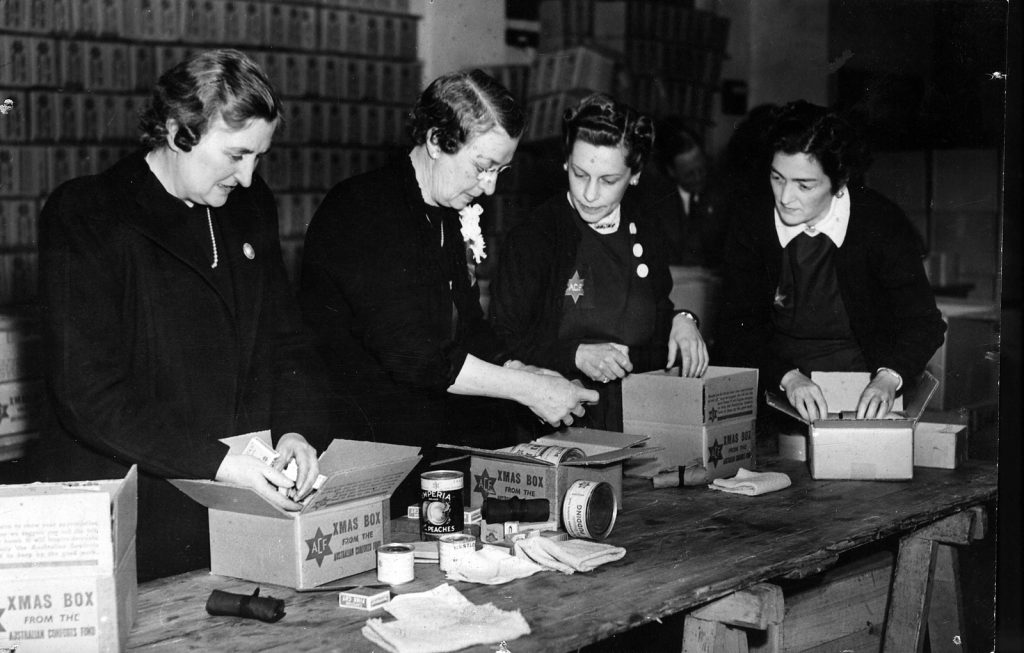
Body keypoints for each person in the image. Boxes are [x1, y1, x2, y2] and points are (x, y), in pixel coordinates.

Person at [34, 49, 363, 580]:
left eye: (260, 156)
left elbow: (288, 343)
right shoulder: (88, 214)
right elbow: (87, 396)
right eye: (236, 155)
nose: (250, 177)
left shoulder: (251, 209)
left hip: (238, 514)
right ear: (178, 131)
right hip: (136, 520)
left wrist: (298, 434)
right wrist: (227, 466)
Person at [298, 70, 596, 503]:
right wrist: (527, 389)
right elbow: (414, 353)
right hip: (357, 458)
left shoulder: (441, 210)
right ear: (436, 140)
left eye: (501, 170)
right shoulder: (364, 210)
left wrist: (521, 370)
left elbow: (469, 325)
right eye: (482, 167)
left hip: (419, 449)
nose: (490, 186)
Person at [489, 93, 709, 432]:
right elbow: (501, 341)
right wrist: (575, 355)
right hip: (557, 424)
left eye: (608, 180)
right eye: (579, 174)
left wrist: (681, 321)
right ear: (566, 162)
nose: (590, 194)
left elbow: (655, 314)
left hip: (639, 421)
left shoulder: (646, 230)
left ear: (634, 175)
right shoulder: (535, 237)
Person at [716, 100, 946, 422]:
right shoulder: (751, 221)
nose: (784, 197)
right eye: (777, 178)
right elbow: (736, 326)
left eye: (804, 185)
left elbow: (924, 322)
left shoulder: (879, 222)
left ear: (838, 183)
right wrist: (788, 378)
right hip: (778, 387)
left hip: (864, 389)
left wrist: (889, 377)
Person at [640, 116, 724, 267]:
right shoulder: (656, 200)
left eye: (701, 169)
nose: (698, 177)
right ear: (672, 172)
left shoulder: (721, 195)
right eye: (690, 174)